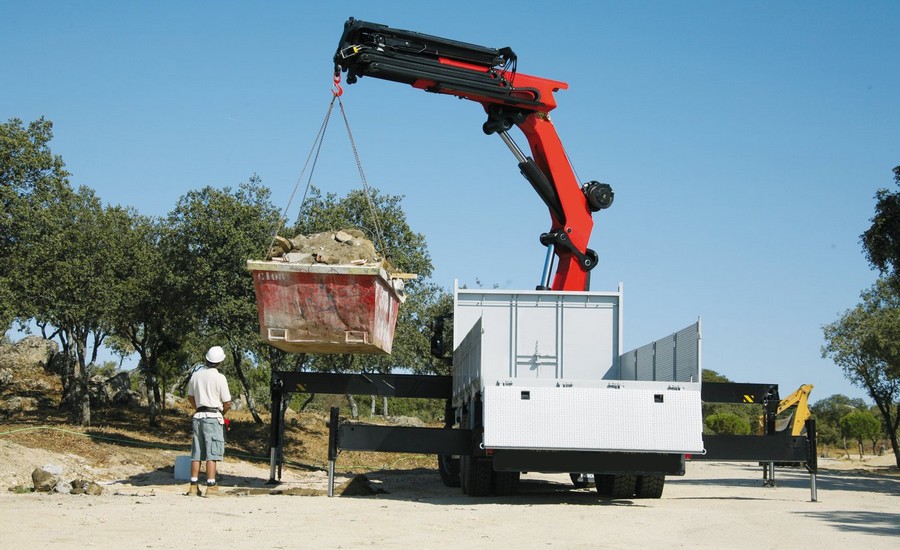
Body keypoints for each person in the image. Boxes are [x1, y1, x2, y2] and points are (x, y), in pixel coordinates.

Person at [185, 345, 232, 496]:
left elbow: (190, 397)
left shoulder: (196, 376)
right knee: (213, 452)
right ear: (220, 362)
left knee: (197, 452)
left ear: (206, 359)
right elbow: (227, 402)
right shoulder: (220, 378)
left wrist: (197, 408)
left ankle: (193, 486)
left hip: (198, 417)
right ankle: (211, 486)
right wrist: (222, 413)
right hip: (213, 417)